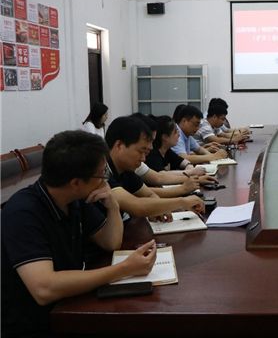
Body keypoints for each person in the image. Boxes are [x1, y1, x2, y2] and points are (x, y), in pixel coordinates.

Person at [1, 130, 157, 337]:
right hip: (35, 324)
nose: (105, 180)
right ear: (75, 182)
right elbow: (44, 289)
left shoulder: (75, 199)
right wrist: (124, 269)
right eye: (101, 174)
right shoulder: (23, 212)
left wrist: (112, 205)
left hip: (70, 306)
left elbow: (110, 242)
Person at [105, 116, 205, 221]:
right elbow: (137, 206)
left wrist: (159, 207)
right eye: (140, 151)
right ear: (119, 145)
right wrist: (182, 202)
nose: (143, 159)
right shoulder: (102, 171)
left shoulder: (126, 170)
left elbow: (149, 194)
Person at [147, 115, 218, 184]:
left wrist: (189, 168)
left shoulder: (167, 151)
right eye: (175, 132)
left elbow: (184, 162)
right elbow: (162, 175)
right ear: (165, 137)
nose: (178, 135)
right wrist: (191, 172)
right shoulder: (152, 154)